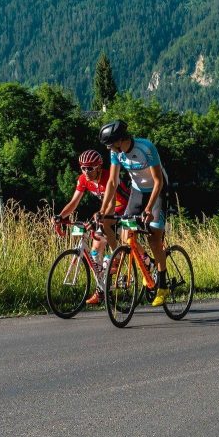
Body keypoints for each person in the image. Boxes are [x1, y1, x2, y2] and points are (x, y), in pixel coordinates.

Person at [98, 120, 172, 307]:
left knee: (154, 238)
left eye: (111, 144)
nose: (110, 148)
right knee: (126, 235)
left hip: (158, 190)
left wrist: (149, 208)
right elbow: (112, 183)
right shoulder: (116, 153)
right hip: (137, 192)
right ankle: (148, 269)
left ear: (120, 139)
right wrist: (103, 209)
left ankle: (162, 284)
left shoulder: (145, 148)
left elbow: (158, 181)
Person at [54, 150, 130, 305]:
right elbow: (74, 202)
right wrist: (60, 217)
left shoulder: (108, 176)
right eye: (83, 167)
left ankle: (117, 257)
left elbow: (111, 203)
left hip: (124, 208)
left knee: (105, 227)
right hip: (105, 210)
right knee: (96, 248)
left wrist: (100, 217)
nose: (86, 171)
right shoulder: (83, 179)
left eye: (90, 168)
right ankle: (101, 290)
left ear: (99, 167)